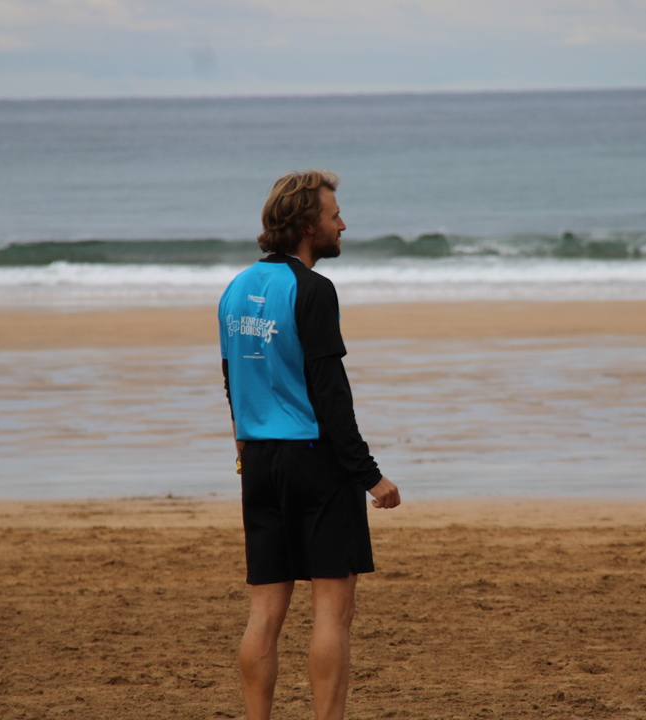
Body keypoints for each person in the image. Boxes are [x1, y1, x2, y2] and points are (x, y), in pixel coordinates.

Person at [219, 170, 401, 720]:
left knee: (265, 612)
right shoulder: (314, 290)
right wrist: (370, 475)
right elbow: (330, 394)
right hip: (315, 460)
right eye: (334, 215)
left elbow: (233, 379)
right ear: (305, 224)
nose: (343, 224)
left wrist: (244, 450)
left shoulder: (235, 289)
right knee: (332, 614)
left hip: (258, 461)